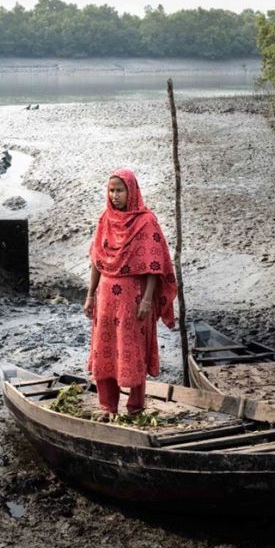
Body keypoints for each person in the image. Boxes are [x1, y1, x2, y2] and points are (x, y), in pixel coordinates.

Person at [84, 169, 177, 419]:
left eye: (120, 190)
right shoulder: (105, 219)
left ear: (131, 191)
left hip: (134, 299)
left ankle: (135, 407)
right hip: (106, 298)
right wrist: (90, 295)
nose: (115, 195)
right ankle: (107, 407)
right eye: (111, 190)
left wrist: (147, 299)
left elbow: (154, 265)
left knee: (132, 349)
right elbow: (97, 261)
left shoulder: (146, 221)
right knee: (104, 349)